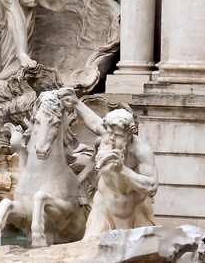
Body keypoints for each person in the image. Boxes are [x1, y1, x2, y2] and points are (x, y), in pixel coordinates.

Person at [60, 90, 158, 236]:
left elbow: (151, 186)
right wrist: (76, 102)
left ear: (129, 134)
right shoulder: (108, 134)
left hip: (136, 212)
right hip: (103, 210)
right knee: (89, 251)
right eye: (109, 133)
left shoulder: (141, 151)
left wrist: (123, 171)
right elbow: (93, 121)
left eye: (117, 136)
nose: (111, 138)